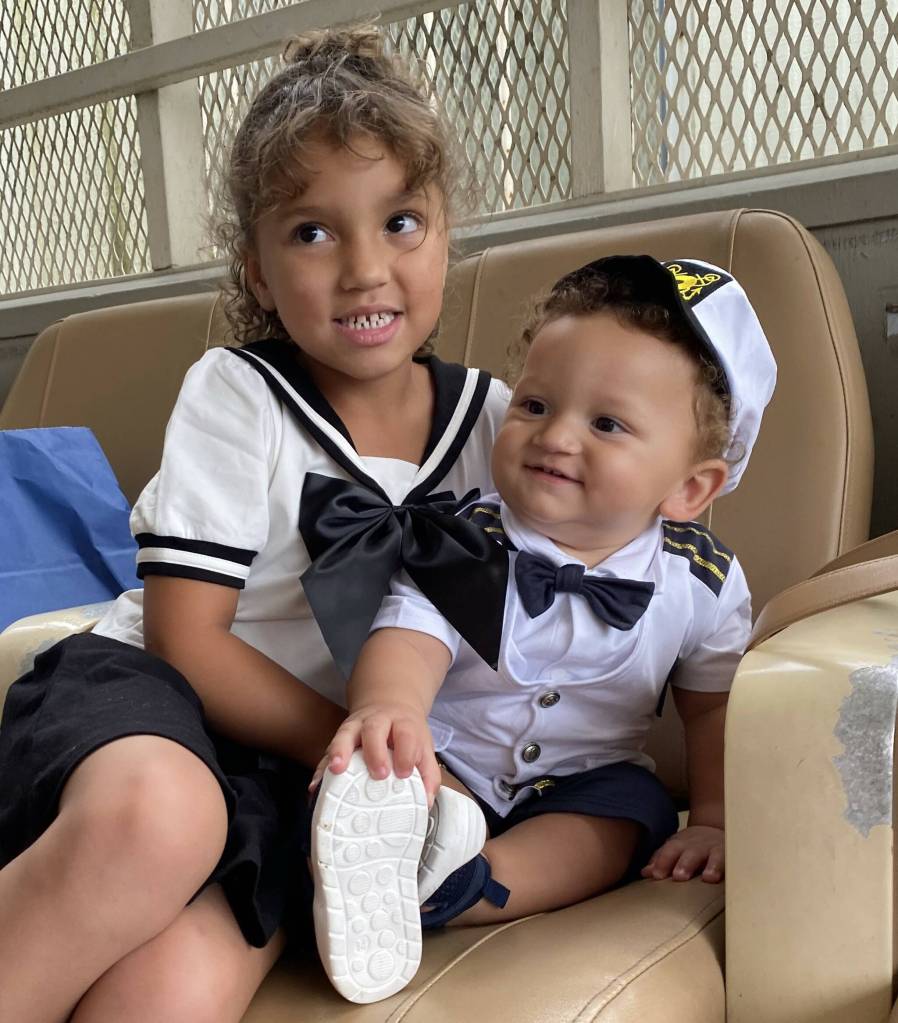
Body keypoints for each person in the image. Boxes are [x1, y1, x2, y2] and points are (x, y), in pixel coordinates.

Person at [0, 25, 512, 1021]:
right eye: (313, 233)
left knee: (171, 997)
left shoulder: (498, 422)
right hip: (159, 703)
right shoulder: (239, 393)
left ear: (447, 232)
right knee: (163, 818)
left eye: (401, 221)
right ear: (257, 268)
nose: (365, 268)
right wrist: (367, 748)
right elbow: (187, 641)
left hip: (298, 782)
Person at [318, 255, 776, 951]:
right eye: (534, 405)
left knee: (631, 812)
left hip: (580, 784)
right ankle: (388, 855)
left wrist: (712, 818)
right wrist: (390, 710)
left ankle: (460, 889)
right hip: (453, 768)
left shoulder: (701, 579)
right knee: (387, 780)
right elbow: (411, 637)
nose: (556, 436)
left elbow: (711, 710)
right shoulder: (467, 538)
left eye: (607, 424)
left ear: (689, 488)